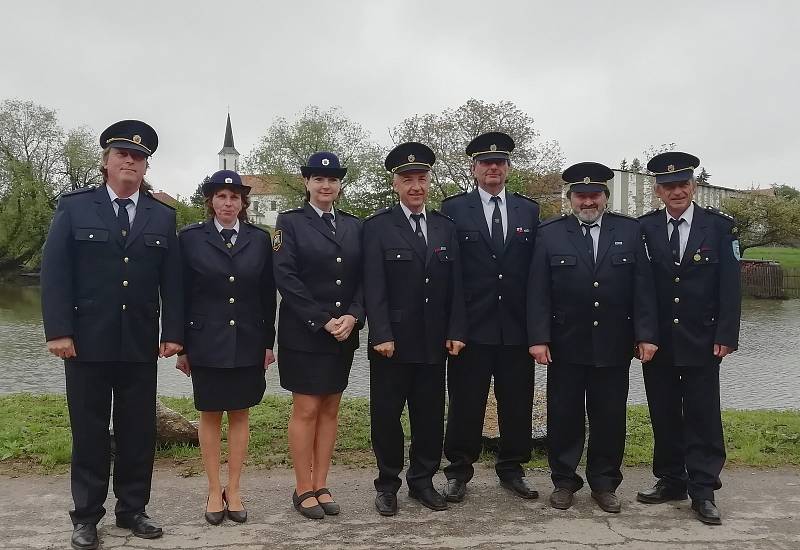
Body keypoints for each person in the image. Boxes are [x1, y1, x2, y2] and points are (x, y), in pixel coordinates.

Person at [40, 120, 183, 550]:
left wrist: (172, 332)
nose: (130, 161)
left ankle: (133, 509)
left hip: (140, 342)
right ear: (105, 162)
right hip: (85, 342)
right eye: (122, 154)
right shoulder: (75, 207)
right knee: (89, 431)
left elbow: (172, 282)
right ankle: (86, 515)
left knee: (138, 430)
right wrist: (59, 331)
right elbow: (55, 274)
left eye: (138, 157)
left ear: (145, 167)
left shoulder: (162, 215)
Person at [528, 162, 658, 514]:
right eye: (581, 195)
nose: (588, 201)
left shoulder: (630, 231)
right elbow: (538, 290)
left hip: (614, 343)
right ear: (570, 198)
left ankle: (604, 483)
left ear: (605, 197)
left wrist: (646, 335)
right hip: (565, 343)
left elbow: (642, 288)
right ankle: (564, 481)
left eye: (594, 195)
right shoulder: (550, 232)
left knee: (609, 417)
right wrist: (538, 338)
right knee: (564, 415)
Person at [636, 151, 741, 525]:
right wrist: (644, 335)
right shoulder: (644, 229)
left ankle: (703, 489)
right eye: (668, 186)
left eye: (682, 184)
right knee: (663, 413)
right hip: (658, 343)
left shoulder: (718, 228)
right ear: (657, 192)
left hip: (702, 339)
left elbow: (730, 287)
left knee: (702, 416)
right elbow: (641, 288)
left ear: (693, 186)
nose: (676, 191)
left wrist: (726, 334)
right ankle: (670, 479)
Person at [363, 142, 467, 516]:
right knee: (387, 416)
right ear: (395, 184)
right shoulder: (377, 227)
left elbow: (456, 285)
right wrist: (381, 334)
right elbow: (373, 286)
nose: (416, 186)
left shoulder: (444, 227)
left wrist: (457, 329)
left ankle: (422, 481)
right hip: (393, 341)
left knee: (428, 415)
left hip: (434, 340)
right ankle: (388, 483)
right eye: (408, 180)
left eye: (421, 179)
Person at [440, 132, 541, 503]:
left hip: (516, 327)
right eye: (486, 163)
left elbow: (535, 275)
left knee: (517, 402)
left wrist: (537, 331)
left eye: (499, 162)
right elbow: (449, 275)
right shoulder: (453, 210)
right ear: (474, 169)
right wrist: (453, 326)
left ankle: (512, 468)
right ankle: (458, 471)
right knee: (466, 403)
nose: (493, 168)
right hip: (471, 328)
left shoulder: (528, 210)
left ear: (509, 169)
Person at [175, 170, 276, 525]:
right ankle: (212, 487)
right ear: (210, 202)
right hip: (205, 341)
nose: (228, 203)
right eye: (221, 197)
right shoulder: (189, 238)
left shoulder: (260, 239)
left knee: (240, 413)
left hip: (248, 340)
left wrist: (268, 342)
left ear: (243, 203)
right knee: (210, 414)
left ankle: (234, 489)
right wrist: (181, 346)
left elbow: (267, 296)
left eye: (235, 198)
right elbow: (179, 295)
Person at [272, 152, 364, 519]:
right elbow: (286, 277)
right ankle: (302, 487)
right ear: (307, 183)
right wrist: (324, 320)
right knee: (307, 408)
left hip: (344, 333)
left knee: (330, 409)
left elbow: (365, 279)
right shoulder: (290, 223)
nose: (326, 185)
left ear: (339, 185)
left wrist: (354, 316)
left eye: (332, 180)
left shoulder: (355, 226)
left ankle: (322, 483)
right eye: (318, 179)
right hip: (306, 332)